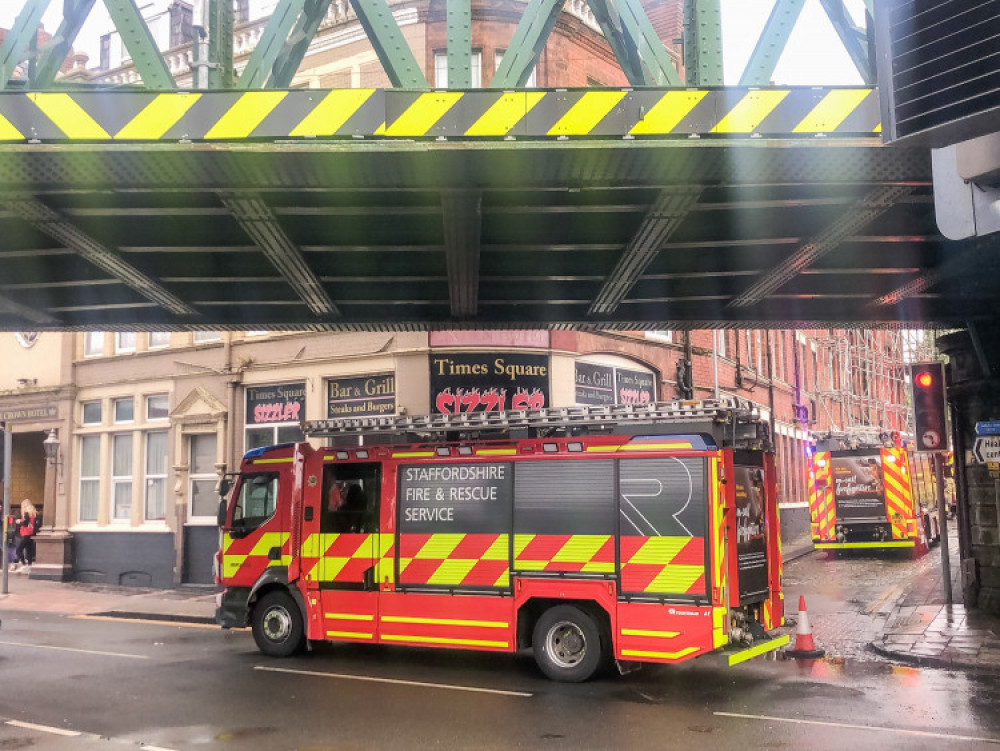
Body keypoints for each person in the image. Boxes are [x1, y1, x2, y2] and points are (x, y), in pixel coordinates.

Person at [13, 499, 37, 571]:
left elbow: (25, 523)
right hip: (31, 533)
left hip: (26, 533)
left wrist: (19, 521)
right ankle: (29, 564)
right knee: (29, 550)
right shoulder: (33, 513)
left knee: (19, 550)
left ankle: (23, 563)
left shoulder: (26, 513)